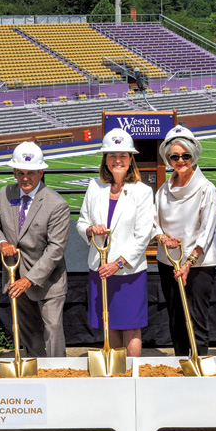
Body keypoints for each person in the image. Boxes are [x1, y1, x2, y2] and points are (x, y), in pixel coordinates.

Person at [0, 142, 71, 357]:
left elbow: (55, 249)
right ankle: (35, 375)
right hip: (15, 276)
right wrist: (1, 243)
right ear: (14, 172)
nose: (25, 178)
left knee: (52, 334)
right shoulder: (5, 194)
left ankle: (56, 375)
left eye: (31, 173)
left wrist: (29, 279)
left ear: (40, 172)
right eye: (20, 172)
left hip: (48, 281)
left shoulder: (56, 203)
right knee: (28, 334)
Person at [77, 128, 155, 357]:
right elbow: (81, 222)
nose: (117, 160)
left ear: (131, 159)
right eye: (112, 155)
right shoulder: (94, 187)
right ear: (105, 160)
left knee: (131, 327)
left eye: (123, 155)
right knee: (109, 324)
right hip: (100, 268)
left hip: (128, 272)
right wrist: (91, 230)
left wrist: (118, 264)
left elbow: (143, 235)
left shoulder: (142, 192)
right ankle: (115, 375)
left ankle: (132, 377)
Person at [152, 125, 216, 356]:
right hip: (169, 262)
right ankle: (182, 361)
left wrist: (189, 262)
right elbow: (153, 222)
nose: (180, 161)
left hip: (198, 264)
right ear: (168, 159)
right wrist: (162, 238)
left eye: (185, 156)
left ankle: (198, 363)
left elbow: (208, 230)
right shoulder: (162, 190)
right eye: (174, 156)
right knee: (176, 318)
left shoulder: (206, 189)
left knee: (196, 319)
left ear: (194, 155)